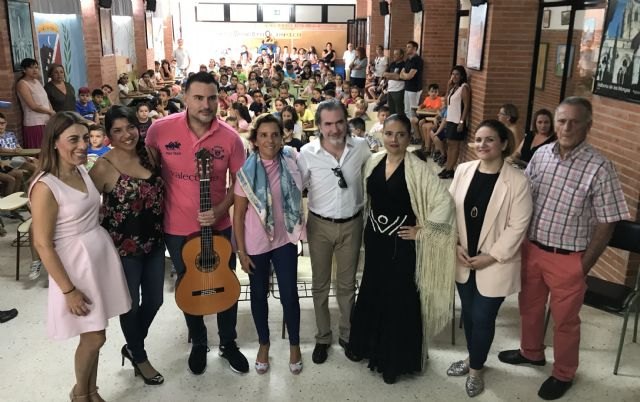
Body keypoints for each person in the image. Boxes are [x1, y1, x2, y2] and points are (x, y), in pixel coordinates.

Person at [498, 97, 631, 401]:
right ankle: (530, 352)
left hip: (568, 258)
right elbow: (524, 200)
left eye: (574, 121)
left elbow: (607, 222)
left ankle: (564, 373)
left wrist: (583, 265)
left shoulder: (600, 167)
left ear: (588, 125)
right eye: (561, 120)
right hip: (532, 249)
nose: (566, 127)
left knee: (565, 322)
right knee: (529, 308)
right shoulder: (541, 154)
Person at [145, 72, 249, 375]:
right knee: (188, 283)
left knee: (225, 281)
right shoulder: (159, 131)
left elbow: (239, 185)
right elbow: (147, 171)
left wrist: (220, 209)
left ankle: (228, 343)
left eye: (212, 97)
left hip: (219, 227)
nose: (206, 104)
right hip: (176, 228)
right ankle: (199, 342)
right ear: (185, 98)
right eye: (199, 97)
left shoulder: (230, 138)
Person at [347, 114, 457, 384]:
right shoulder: (373, 161)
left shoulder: (417, 168)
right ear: (382, 135)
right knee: (372, 289)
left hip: (401, 243)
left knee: (399, 297)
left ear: (409, 137)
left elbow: (445, 202)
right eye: (388, 134)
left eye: (400, 135)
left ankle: (395, 360)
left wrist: (424, 230)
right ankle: (368, 346)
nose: (393, 140)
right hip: (375, 240)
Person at [29, 111, 131, 401]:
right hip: (75, 269)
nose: (83, 145)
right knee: (94, 336)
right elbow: (42, 244)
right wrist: (68, 290)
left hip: (97, 261)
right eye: (73, 139)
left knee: (96, 334)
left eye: (85, 138)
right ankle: (80, 395)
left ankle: (90, 390)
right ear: (54, 143)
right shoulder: (45, 186)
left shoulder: (82, 171)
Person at [447, 120, 532, 397]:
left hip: (495, 263)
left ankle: (476, 370)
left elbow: (518, 226)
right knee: (469, 315)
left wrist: (490, 256)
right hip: (462, 257)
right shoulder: (463, 170)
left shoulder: (517, 181)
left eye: (490, 140)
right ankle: (473, 358)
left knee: (483, 316)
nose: (482, 145)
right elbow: (448, 211)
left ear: (504, 144)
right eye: (479, 139)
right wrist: (455, 244)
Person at [90, 105, 165, 386]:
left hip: (156, 243)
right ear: (108, 135)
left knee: (155, 300)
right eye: (117, 130)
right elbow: (84, 205)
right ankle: (140, 355)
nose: (126, 134)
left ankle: (132, 345)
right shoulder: (103, 166)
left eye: (130, 127)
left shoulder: (151, 155)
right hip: (123, 251)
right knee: (130, 306)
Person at [297, 99, 371, 364]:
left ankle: (348, 335)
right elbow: (296, 188)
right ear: (318, 126)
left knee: (347, 285)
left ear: (346, 121)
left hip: (352, 224)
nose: (335, 129)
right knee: (320, 285)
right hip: (319, 226)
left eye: (340, 122)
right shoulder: (306, 153)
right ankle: (322, 337)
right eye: (328, 124)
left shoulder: (361, 148)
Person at [233, 114, 305, 375]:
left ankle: (295, 345)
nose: (269, 140)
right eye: (263, 135)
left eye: (275, 134)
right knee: (258, 295)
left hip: (284, 238)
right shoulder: (246, 172)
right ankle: (264, 343)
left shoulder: (292, 162)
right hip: (256, 243)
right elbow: (238, 216)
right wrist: (241, 252)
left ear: (282, 137)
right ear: (254, 139)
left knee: (289, 294)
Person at [439, 65, 471, 179]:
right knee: (450, 144)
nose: (454, 76)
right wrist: (448, 86)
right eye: (452, 74)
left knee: (455, 146)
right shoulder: (454, 88)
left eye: (457, 74)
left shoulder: (464, 87)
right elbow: (447, 102)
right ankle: (448, 167)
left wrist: (462, 122)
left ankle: (450, 169)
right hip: (450, 119)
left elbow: (467, 106)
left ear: (462, 76)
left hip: (457, 121)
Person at [16, 58, 55, 148]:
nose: (35, 70)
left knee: (49, 148)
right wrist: (49, 112)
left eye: (36, 67)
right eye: (31, 67)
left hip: (46, 120)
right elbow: (33, 106)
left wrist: (52, 112)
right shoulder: (22, 84)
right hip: (34, 123)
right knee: (39, 149)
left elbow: (46, 99)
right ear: (24, 70)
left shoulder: (37, 81)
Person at [400, 41, 424, 119]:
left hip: (414, 89)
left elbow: (410, 76)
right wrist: (406, 76)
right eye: (407, 47)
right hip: (407, 87)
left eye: (409, 47)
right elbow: (401, 74)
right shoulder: (408, 60)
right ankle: (409, 128)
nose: (406, 48)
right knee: (406, 110)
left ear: (414, 49)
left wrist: (405, 75)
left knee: (413, 110)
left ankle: (413, 129)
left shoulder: (418, 60)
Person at [382, 49, 406, 116]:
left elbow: (399, 77)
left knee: (399, 110)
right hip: (390, 89)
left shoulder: (404, 65)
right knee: (391, 109)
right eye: (394, 54)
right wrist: (393, 75)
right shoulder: (392, 64)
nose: (394, 56)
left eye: (396, 54)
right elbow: (384, 74)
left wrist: (389, 75)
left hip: (399, 90)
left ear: (401, 55)